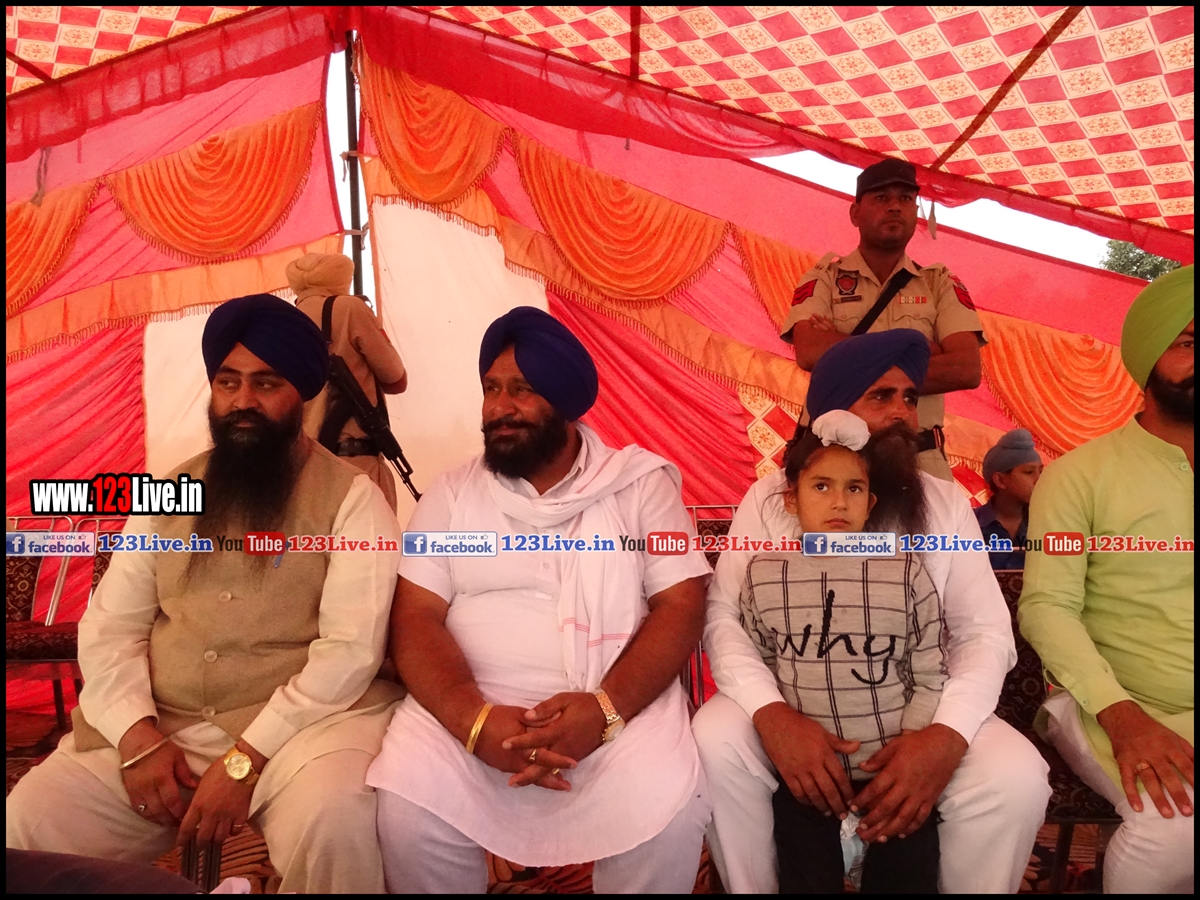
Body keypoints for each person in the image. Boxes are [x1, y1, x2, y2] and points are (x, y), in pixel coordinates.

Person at [6, 294, 405, 894]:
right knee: (29, 819)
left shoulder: (353, 501)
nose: (243, 401)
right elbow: (112, 627)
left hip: (302, 731)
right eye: (228, 381)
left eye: (265, 383)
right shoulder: (167, 492)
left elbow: (350, 651)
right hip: (163, 725)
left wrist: (245, 759)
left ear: (302, 393)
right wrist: (136, 738)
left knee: (336, 821)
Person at [367, 306, 712, 893]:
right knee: (409, 812)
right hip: (469, 713)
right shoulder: (452, 494)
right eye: (491, 389)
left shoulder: (639, 486)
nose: (499, 407)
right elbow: (416, 617)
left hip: (616, 711)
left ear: (564, 401)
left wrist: (604, 712)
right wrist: (474, 722)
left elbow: (681, 604)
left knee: (667, 814)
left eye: (522, 390)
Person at [693, 329, 1051, 893]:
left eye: (909, 397)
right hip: (796, 706)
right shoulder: (771, 500)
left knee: (1016, 777)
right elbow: (724, 617)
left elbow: (983, 632)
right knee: (715, 738)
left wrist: (946, 734)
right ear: (832, 414)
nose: (903, 413)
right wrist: (771, 713)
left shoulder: (943, 502)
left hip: (920, 708)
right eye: (880, 396)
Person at [1019, 266, 1193, 894]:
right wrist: (1125, 718)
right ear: (1148, 358)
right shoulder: (1079, 476)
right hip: (1110, 702)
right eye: (1189, 343)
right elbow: (1046, 606)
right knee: (1174, 829)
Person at [741, 409, 947, 893]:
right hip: (808, 777)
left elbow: (930, 667)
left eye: (854, 488)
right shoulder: (765, 573)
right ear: (791, 499)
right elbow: (761, 659)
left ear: (871, 503)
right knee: (805, 879)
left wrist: (908, 748)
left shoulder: (904, 570)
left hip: (891, 774)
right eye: (821, 487)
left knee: (905, 879)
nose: (839, 501)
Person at [780, 158, 984, 481]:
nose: (894, 207)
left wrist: (846, 356)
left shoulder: (940, 284)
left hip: (916, 459)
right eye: (881, 198)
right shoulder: (824, 278)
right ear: (855, 213)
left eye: (905, 198)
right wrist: (921, 351)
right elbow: (809, 352)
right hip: (834, 455)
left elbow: (966, 369)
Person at [289, 252, 408, 510]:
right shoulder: (349, 308)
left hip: (301, 472)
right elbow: (397, 379)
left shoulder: (284, 322)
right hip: (355, 465)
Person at [975, 429, 1044, 570]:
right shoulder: (970, 524)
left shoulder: (1048, 524)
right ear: (1000, 480)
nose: (1039, 480)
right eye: (1029, 472)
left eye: (1041, 471)